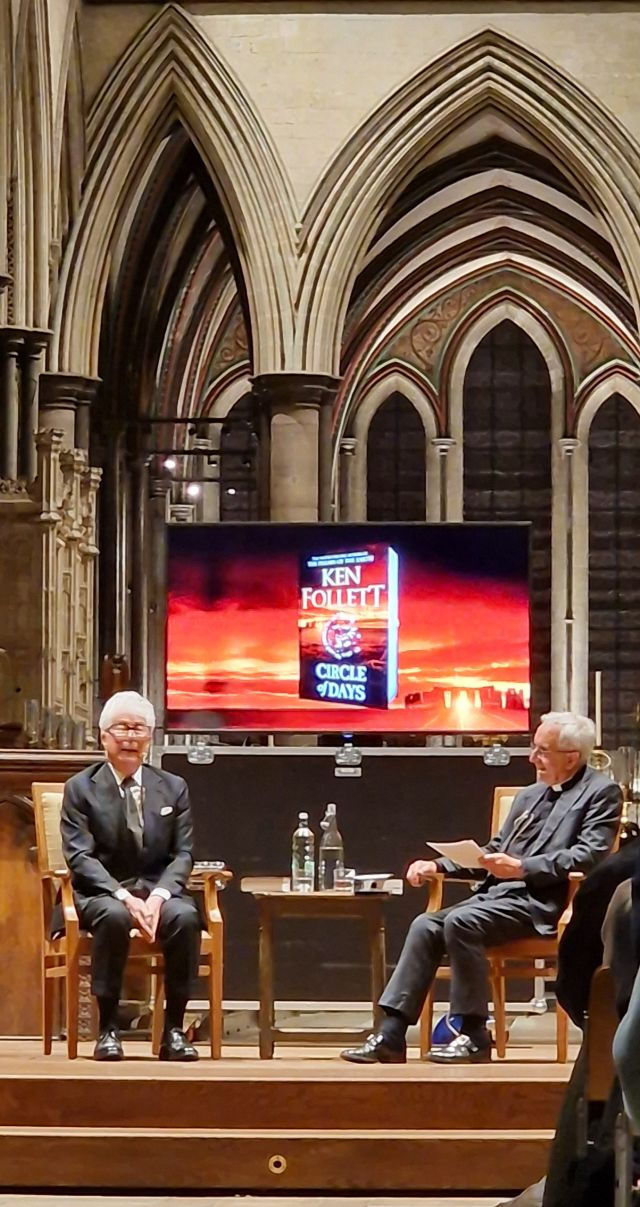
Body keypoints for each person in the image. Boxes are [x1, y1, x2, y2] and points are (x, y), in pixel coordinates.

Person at [341, 712, 622, 1066]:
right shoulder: (530, 796)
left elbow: (590, 855)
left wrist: (522, 868)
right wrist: (439, 865)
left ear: (571, 757)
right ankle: (392, 1034)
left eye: (541, 751)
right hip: (497, 899)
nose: (531, 758)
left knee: (461, 921)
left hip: (543, 902)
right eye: (533, 748)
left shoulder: (600, 792)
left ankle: (474, 1034)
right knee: (425, 926)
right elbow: (493, 850)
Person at [60, 690, 202, 1062]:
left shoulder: (173, 787)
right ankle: (108, 1029)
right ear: (103, 736)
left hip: (156, 892)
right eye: (121, 727)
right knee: (115, 916)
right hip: (103, 892)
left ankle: (173, 1029)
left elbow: (183, 853)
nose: (130, 736)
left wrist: (158, 898)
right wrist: (124, 897)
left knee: (186, 917)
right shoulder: (80, 788)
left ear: (150, 738)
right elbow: (80, 855)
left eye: (139, 728)